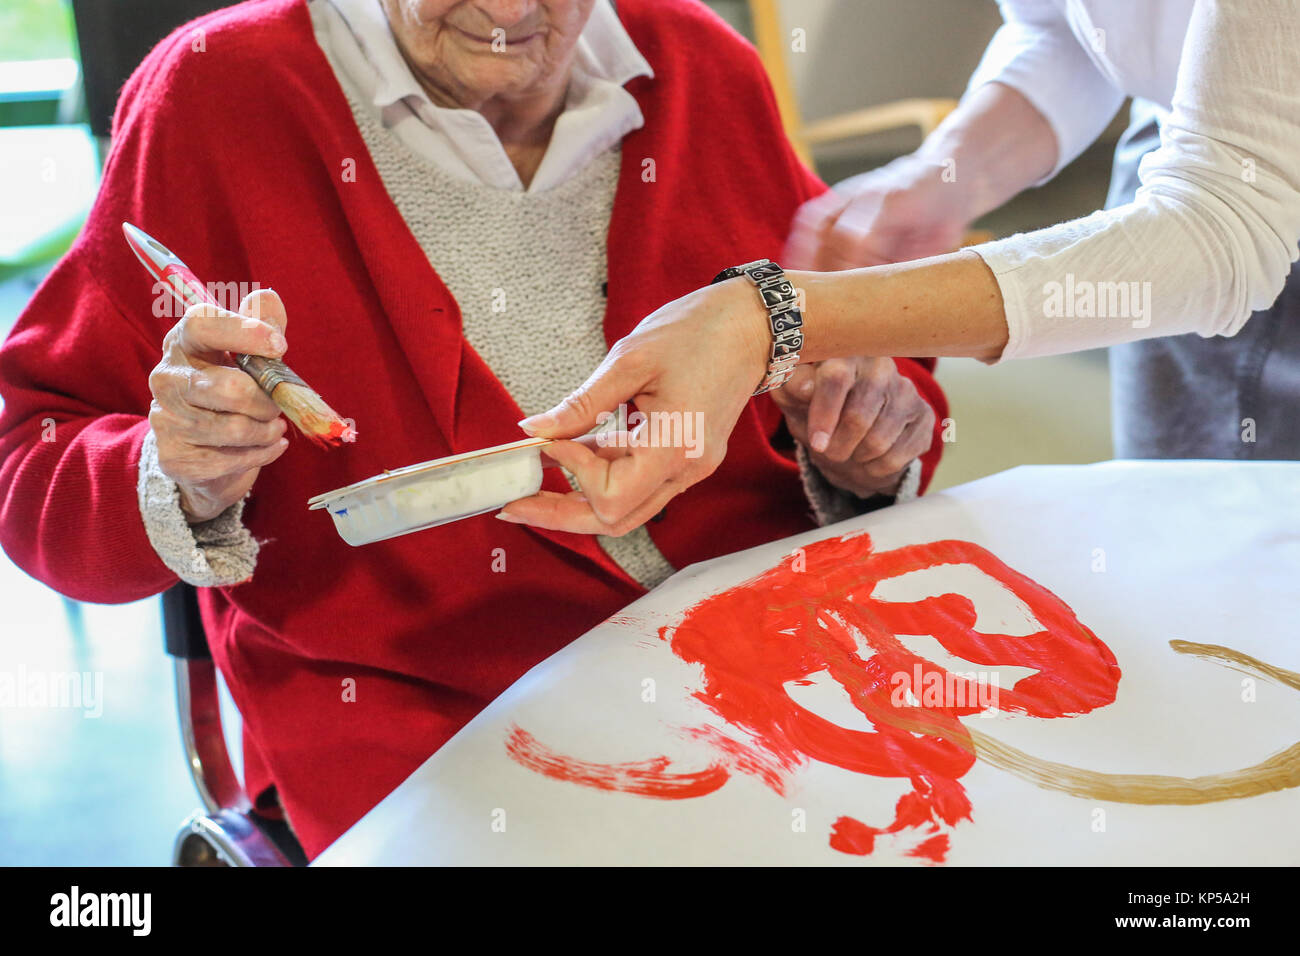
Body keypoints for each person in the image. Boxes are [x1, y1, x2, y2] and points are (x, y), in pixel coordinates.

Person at [0, 0, 947, 858]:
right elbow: (33, 464)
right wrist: (177, 471)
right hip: (434, 728)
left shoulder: (700, 64)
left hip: (780, 672)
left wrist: (863, 438)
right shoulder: (215, 94)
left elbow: (861, 359)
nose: (504, 10)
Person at [502, 0, 1300, 535]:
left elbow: (1224, 224)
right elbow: (1073, 28)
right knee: (1199, 554)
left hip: (1219, 208)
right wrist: (942, 176)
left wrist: (772, 317)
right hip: (1186, 171)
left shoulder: (685, 61)